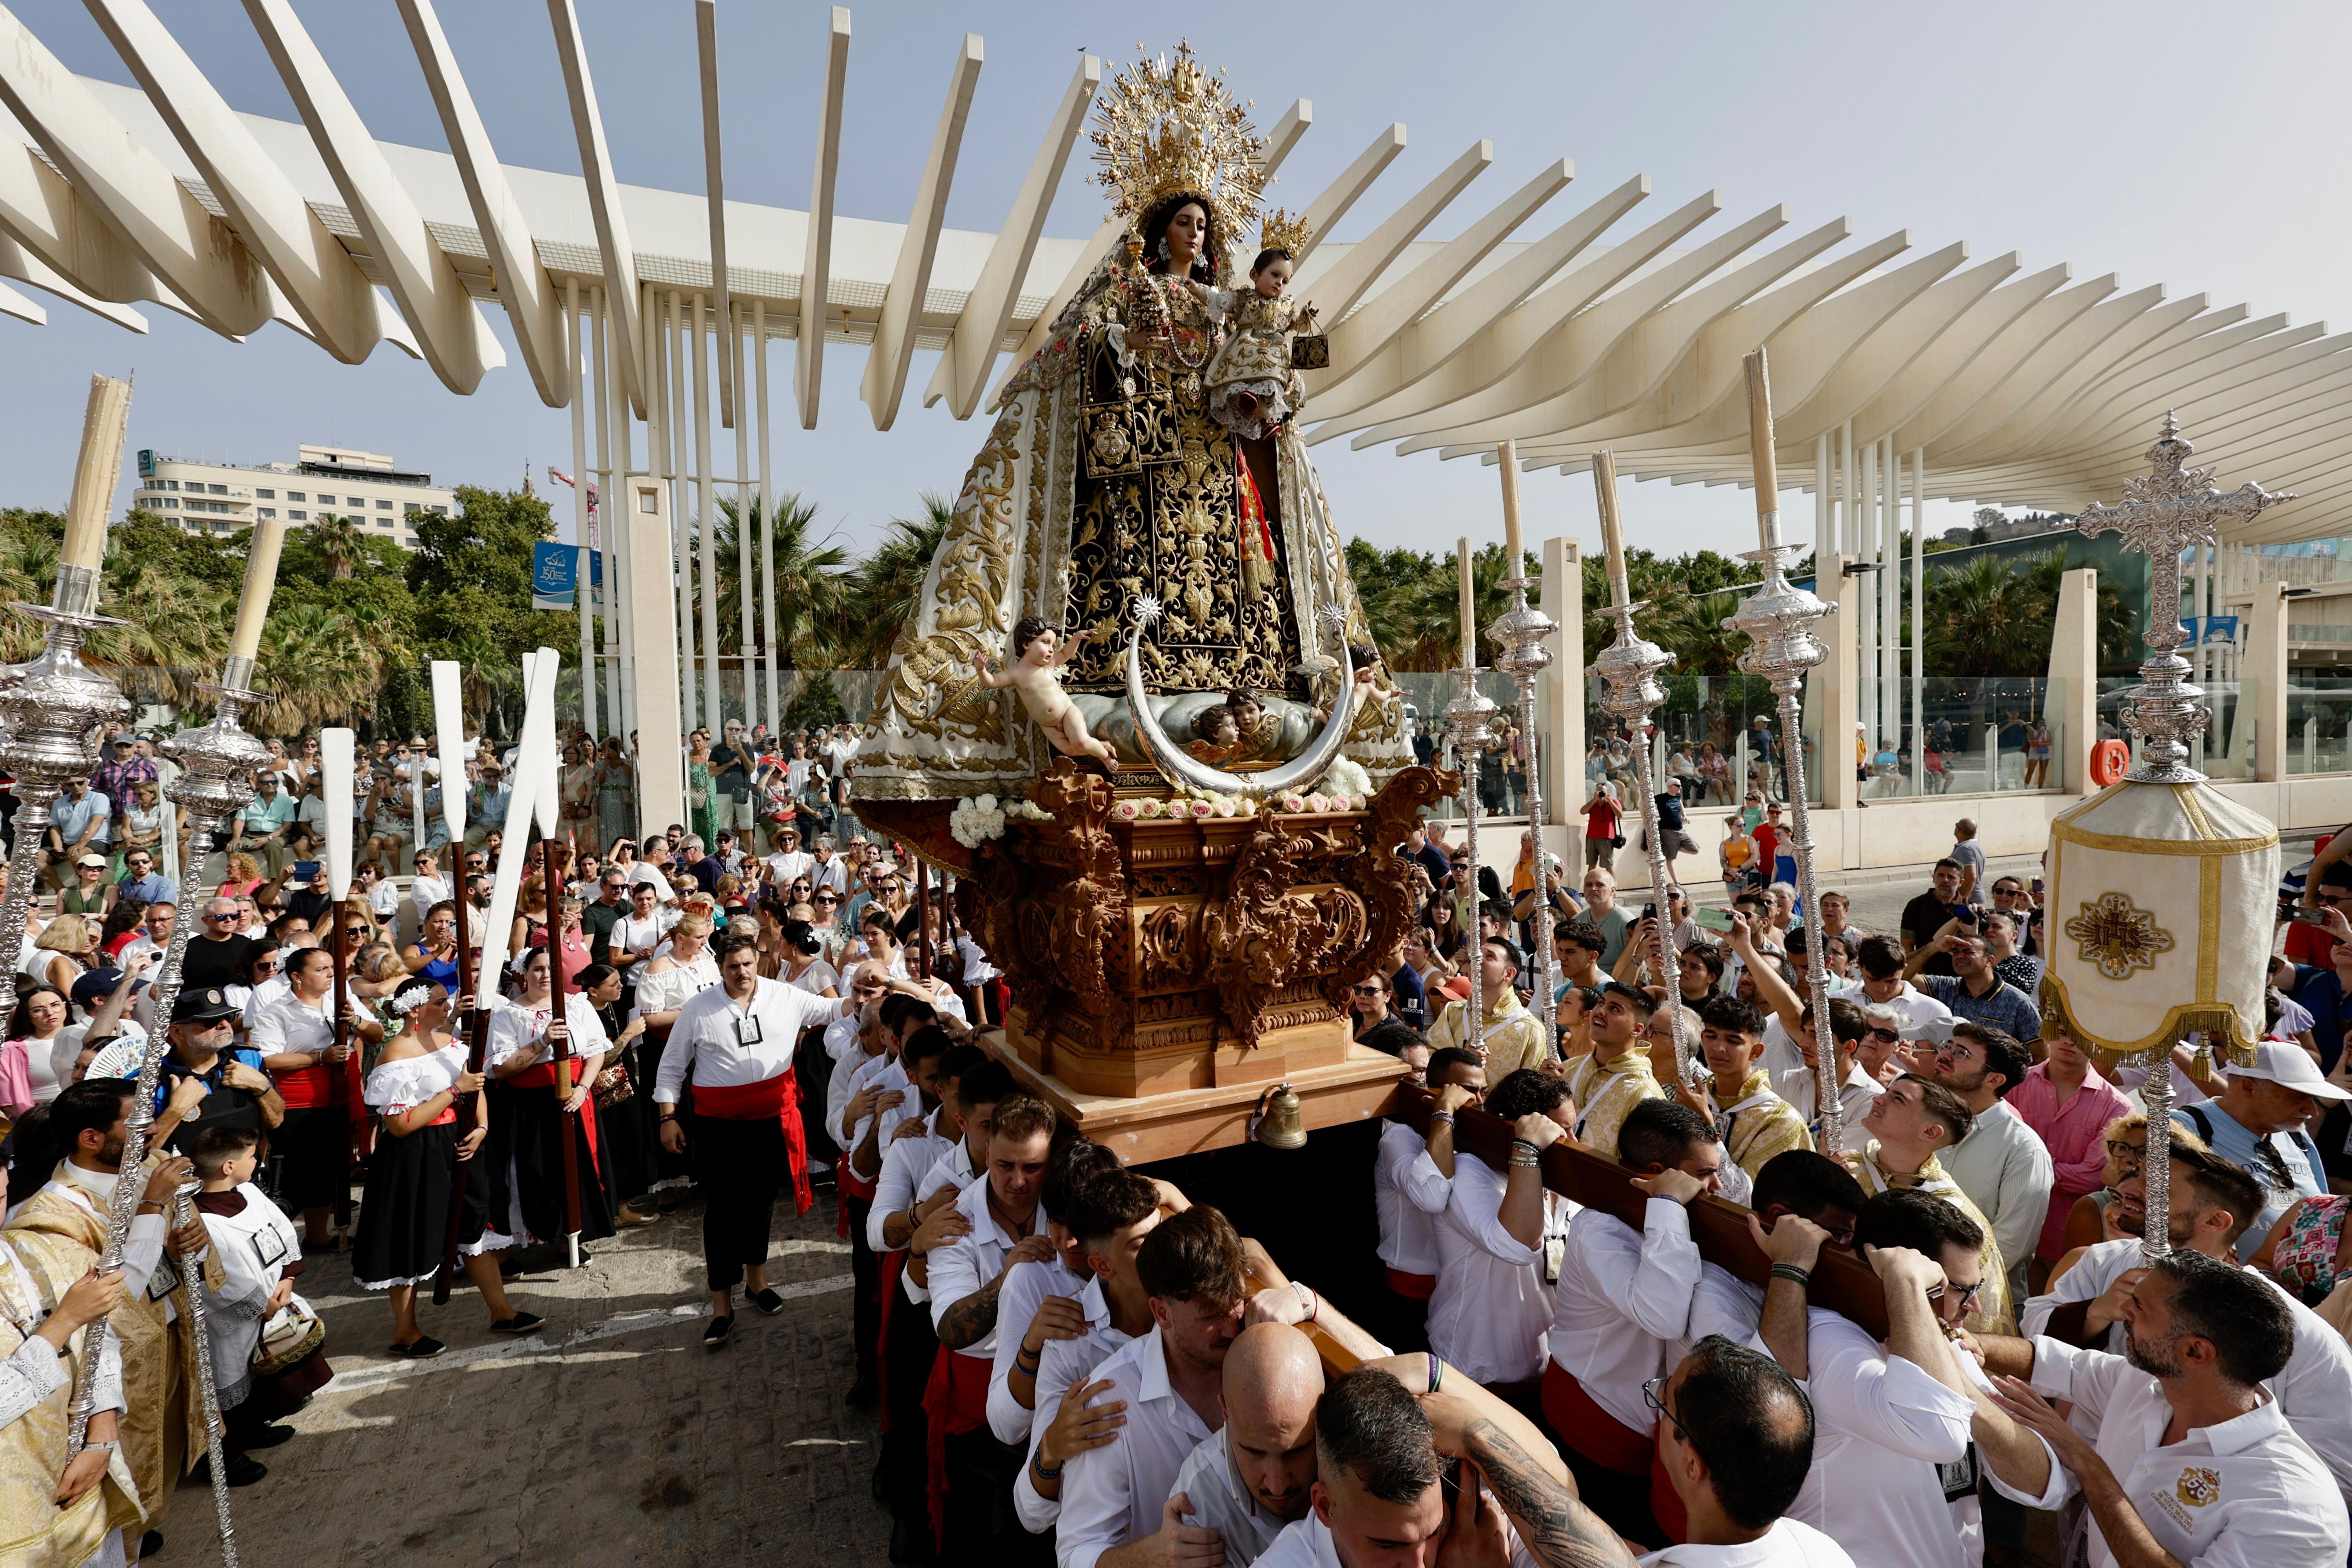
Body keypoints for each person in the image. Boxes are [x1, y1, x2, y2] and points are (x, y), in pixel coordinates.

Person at [1976, 1250, 2350, 1568]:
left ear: (2194, 1352)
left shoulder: (2294, 1510)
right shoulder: (2152, 1385)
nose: (2123, 1309)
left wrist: (2087, 1464)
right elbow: (2060, 1364)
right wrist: (1969, 1343)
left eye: (2140, 1306)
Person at [1750, 1188, 2036, 1568]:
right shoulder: (1828, 1344)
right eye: (1962, 1290)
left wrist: (1960, 1377)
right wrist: (1905, 1285)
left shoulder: (1946, 1341)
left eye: (1977, 1288)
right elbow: (1941, 1433)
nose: (1976, 1306)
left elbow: (2041, 1482)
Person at [7, 1077, 216, 1533]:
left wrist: (189, 1248)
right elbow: (115, 1298)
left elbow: (178, 1259)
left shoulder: (144, 1171)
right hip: (115, 1381)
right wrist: (153, 1205)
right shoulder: (49, 1216)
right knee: (119, 1502)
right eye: (136, 1121)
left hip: (168, 1346)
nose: (150, 1130)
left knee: (162, 1474)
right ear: (91, 1137)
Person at [654, 929, 854, 1342]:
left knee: (761, 1204)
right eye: (732, 967)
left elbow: (834, 1009)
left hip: (771, 1122)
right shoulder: (697, 1009)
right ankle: (721, 1302)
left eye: (747, 964)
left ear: (754, 961)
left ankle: (757, 1281)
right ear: (719, 968)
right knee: (724, 1210)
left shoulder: (785, 995)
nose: (741, 972)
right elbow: (672, 1066)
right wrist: (667, 1117)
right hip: (718, 1128)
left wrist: (869, 990)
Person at [1251, 1359, 1638, 1568]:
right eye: (1388, 1545)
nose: (1421, 1564)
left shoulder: (1475, 1519)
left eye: (1433, 1533)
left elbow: (1604, 1556)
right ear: (1325, 1506)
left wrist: (1475, 1434)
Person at [1543, 1098, 1724, 1545]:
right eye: (1703, 1174)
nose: (1718, 1186)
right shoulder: (1598, 1228)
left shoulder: (1677, 1208)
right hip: (1593, 1419)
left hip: (1626, 1422)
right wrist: (1666, 1203)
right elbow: (1661, 1315)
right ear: (1660, 1173)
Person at [347, 976, 540, 1355]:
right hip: (415, 1155)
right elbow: (400, 1124)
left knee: (475, 1225)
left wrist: (482, 1126)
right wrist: (453, 1092)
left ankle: (501, 1311)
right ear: (416, 1009)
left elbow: (476, 1084)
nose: (447, 1007)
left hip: (459, 1144)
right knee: (412, 1236)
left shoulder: (450, 1043)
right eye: (439, 1002)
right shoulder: (394, 1057)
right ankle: (406, 1331)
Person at [1053, 1206, 1249, 1568]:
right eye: (1210, 1316)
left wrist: (1306, 1302)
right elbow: (1075, 1554)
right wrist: (1153, 1555)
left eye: (1237, 1303)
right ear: (1161, 1313)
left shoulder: (1265, 1345)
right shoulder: (1108, 1400)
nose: (1231, 1328)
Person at [925, 1095, 1061, 1564]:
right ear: (987, 1153)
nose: (1018, 1180)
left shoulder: (1066, 1209)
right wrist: (1009, 1279)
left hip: (1054, 1390)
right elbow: (949, 1327)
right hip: (979, 1405)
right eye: (1005, 1164)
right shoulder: (956, 1221)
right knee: (988, 1531)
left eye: (1032, 1167)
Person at [1412, 1069, 1573, 1396]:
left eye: (1575, 1127)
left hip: (1545, 1366)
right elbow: (1516, 1246)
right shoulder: (1470, 1173)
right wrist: (1527, 1151)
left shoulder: (1564, 1178)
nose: (1574, 1143)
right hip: (1475, 1367)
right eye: (1560, 1132)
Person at [1849, 1075, 2012, 1332]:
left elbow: (1968, 1311)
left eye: (1897, 1099)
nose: (1878, 1099)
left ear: (1930, 1132)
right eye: (1887, 1091)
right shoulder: (1847, 1172)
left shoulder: (1956, 1212)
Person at [483, 947, 616, 1258]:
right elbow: (502, 1067)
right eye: (538, 969)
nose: (545, 975)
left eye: (550, 969)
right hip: (529, 1105)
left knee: (574, 1168)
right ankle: (519, 1241)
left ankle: (567, 1235)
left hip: (573, 1097)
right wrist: (542, 1041)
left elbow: (596, 1050)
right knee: (532, 1173)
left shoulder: (577, 1004)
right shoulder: (509, 1012)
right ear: (524, 973)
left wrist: (584, 1087)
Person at [2171, 1041, 2342, 1261]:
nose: (2312, 1110)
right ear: (2249, 1087)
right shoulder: (2184, 1128)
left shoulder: (2295, 1133)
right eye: (2298, 1097)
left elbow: (2325, 1206)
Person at [249, 945, 371, 1251]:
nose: (331, 973)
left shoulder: (342, 1001)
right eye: (321, 969)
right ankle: (282, 1241)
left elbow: (377, 1034)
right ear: (297, 977)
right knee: (300, 1170)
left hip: (340, 1092)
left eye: (332, 966)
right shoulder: (276, 1011)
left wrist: (355, 1020)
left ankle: (318, 1234)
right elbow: (267, 1059)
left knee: (331, 1166)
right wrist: (319, 1057)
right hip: (299, 1100)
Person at [1922, 1023, 2051, 1308]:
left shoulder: (2024, 1149)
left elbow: (2010, 1246)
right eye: (1947, 1046)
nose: (1945, 1055)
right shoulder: (1927, 1121)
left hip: (1981, 1304)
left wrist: (1947, 1286)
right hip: (1914, 1284)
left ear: (1994, 1080)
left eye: (1962, 1053)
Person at [1375, 1047, 1483, 1354]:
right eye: (1468, 1091)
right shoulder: (1397, 1139)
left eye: (1482, 1090)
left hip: (1458, 1289)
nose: (1478, 1101)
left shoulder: (1472, 1133)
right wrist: (1444, 1112)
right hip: (1410, 1292)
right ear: (1438, 1091)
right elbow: (1433, 1197)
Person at [2008, 1025, 2135, 1286]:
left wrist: (2020, 1167)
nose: (2070, 1043)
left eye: (2084, 1037)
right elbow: (1995, 1152)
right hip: (2010, 1221)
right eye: (2064, 1032)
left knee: (2054, 1316)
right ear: (2047, 1033)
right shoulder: (2015, 1083)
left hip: (2068, 1233)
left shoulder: (2117, 1106)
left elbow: (2089, 1178)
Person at [1563, 982, 1665, 1158]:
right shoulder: (1570, 1067)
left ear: (1637, 1029)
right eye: (1601, 1003)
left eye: (1615, 1009)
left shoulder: (1645, 1095)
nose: (1601, 1011)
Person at [1425, 936, 1545, 1075]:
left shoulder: (1531, 1031)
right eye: (1478, 955)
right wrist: (1458, 1060)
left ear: (1509, 973)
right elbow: (1426, 1058)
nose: (1478, 960)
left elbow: (1533, 1088)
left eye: (1490, 957)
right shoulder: (1452, 1012)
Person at [1898, 932, 2041, 1041]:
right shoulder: (1946, 987)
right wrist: (1933, 947)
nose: (1960, 956)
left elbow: (2040, 1054)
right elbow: (1902, 976)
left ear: (1990, 961)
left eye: (1968, 952)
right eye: (1956, 952)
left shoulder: (2018, 1002)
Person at [1897, 860, 1971, 977]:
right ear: (1933, 878)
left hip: (1959, 975)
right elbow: (1907, 944)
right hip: (1925, 974)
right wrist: (1917, 969)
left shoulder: (1967, 909)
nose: (1945, 880)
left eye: (1951, 877)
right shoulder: (1917, 905)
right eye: (1941, 875)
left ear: (1961, 882)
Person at [1582, 779, 1623, 872]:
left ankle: (1613, 886)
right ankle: (1590, 884)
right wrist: (1594, 800)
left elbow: (1620, 815)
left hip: (1607, 838)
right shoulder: (1593, 803)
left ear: (1608, 793)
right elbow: (1582, 812)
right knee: (1592, 865)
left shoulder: (1614, 802)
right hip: (1592, 837)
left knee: (1608, 865)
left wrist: (1611, 801)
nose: (1601, 795)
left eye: (1603, 792)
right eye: (1599, 792)